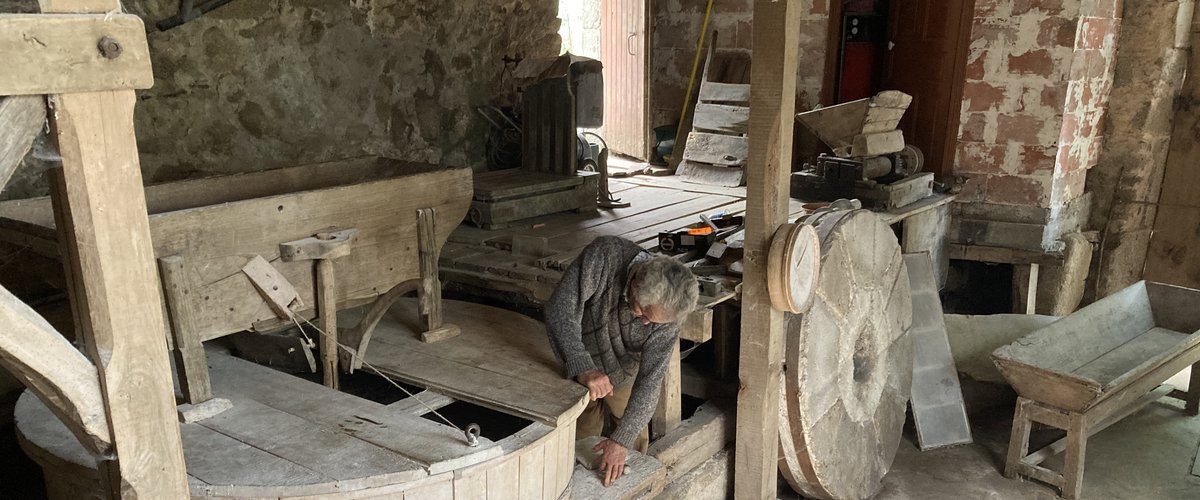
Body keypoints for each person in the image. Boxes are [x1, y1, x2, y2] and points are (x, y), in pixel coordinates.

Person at [544, 236, 699, 487]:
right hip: (581, 360)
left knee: (630, 445)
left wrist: (621, 440)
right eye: (645, 315)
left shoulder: (667, 320)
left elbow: (650, 381)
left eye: (656, 322)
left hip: (625, 372)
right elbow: (559, 309)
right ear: (635, 286)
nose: (648, 325)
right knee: (578, 443)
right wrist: (582, 366)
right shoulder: (605, 256)